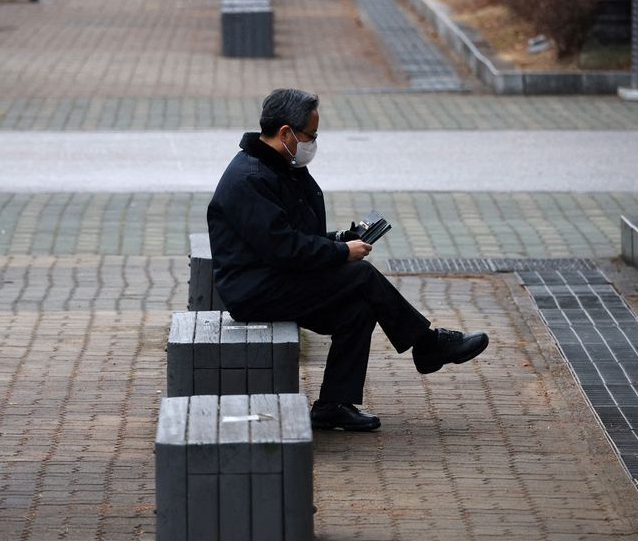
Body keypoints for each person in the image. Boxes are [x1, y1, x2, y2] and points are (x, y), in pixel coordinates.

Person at [207, 89, 489, 432]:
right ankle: (427, 345)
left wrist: (341, 239)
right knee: (361, 276)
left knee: (359, 307)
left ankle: (333, 404)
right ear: (285, 133)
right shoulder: (249, 178)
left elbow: (297, 235)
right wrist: (342, 253)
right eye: (311, 135)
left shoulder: (280, 167)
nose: (313, 143)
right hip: (254, 290)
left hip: (277, 278)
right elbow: (284, 249)